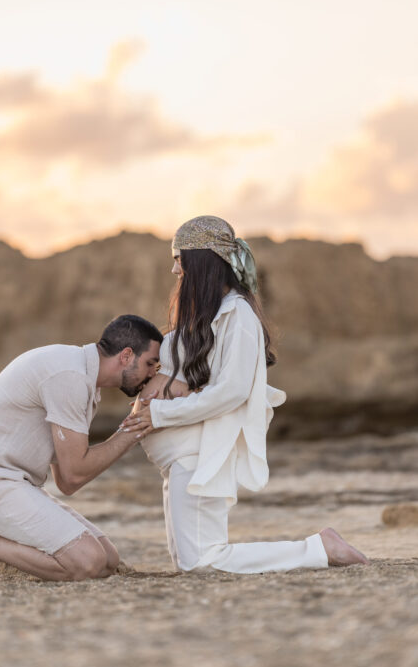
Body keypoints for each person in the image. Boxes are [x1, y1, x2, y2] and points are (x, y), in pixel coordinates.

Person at [121, 216, 369, 573]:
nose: (175, 269)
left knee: (202, 563)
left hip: (199, 454)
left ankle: (319, 549)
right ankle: (317, 549)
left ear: (202, 262)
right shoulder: (208, 316)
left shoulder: (237, 316)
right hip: (179, 458)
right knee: (189, 564)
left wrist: (158, 415)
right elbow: (200, 379)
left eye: (180, 258)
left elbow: (233, 391)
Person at [0, 314, 162, 584]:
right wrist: (135, 428)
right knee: (87, 563)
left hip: (9, 482)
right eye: (150, 363)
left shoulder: (80, 377)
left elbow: (66, 482)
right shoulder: (69, 376)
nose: (153, 373)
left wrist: (130, 428)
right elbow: (75, 473)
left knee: (107, 559)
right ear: (126, 356)